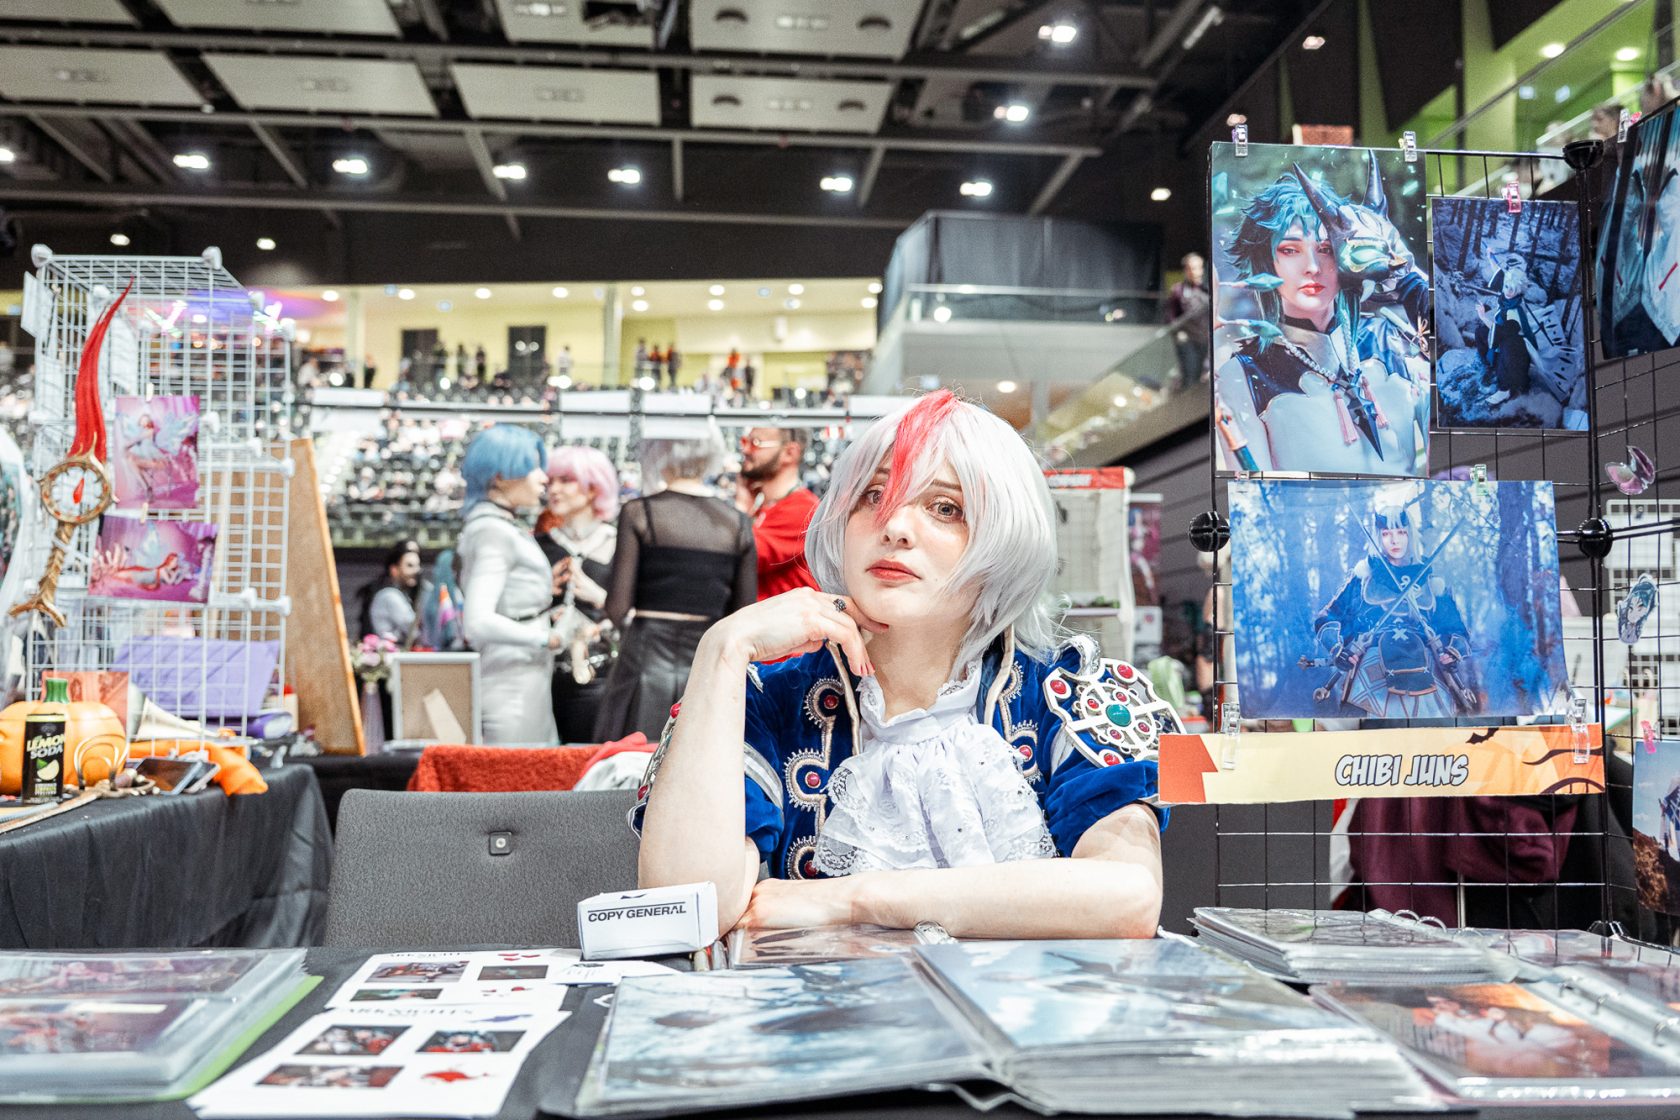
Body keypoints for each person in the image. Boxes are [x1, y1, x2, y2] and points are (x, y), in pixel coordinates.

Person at [634, 391, 1173, 937]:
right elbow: (681, 910)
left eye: (945, 508)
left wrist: (853, 899)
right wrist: (723, 649)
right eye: (872, 495)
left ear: (1005, 537)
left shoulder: (1070, 692)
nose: (893, 526)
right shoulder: (764, 702)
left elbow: (1127, 896)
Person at [1213, 169, 1427, 475]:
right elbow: (1256, 494)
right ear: (1266, 262)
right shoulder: (1243, 374)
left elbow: (1451, 445)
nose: (1312, 267)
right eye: (1290, 250)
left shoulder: (1393, 340)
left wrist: (1410, 282)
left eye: (1325, 249)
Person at [596, 431, 756, 742]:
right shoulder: (737, 523)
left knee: (634, 759)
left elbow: (617, 607)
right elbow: (745, 614)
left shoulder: (639, 512)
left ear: (659, 452)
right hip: (708, 660)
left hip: (644, 658)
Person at [1312, 497, 1472, 719]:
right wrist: (1338, 650)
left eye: (1401, 533)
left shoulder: (1429, 579)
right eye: (1386, 534)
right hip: (1372, 664)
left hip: (1425, 665)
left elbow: (1457, 630)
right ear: (1379, 536)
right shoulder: (1364, 578)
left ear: (1409, 535)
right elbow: (1326, 617)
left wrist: (1452, 654)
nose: (1394, 540)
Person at [458, 424, 564, 746]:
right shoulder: (493, 531)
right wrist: (545, 638)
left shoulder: (498, 527)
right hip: (511, 689)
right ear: (501, 476)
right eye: (532, 467)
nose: (543, 478)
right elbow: (477, 622)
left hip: (523, 683)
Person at [536, 446, 621, 743]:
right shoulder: (538, 545)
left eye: (565, 480)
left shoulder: (620, 543)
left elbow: (636, 613)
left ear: (593, 488)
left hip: (600, 675)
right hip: (541, 674)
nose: (553, 489)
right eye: (551, 481)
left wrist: (599, 596)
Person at [734, 427, 820, 598]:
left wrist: (741, 509)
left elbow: (740, 556)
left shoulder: (803, 509)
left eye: (756, 443)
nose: (745, 450)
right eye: (745, 442)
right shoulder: (761, 507)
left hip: (789, 615)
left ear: (790, 452)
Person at [357, 539, 425, 647]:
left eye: (418, 565)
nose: (417, 571)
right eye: (410, 565)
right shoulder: (390, 596)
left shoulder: (401, 594)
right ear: (394, 569)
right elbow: (415, 632)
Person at [1165, 252, 1212, 389]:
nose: (1194, 272)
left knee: (1204, 375)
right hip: (1187, 340)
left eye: (1197, 268)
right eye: (1191, 268)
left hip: (1206, 339)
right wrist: (1178, 333)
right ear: (1186, 270)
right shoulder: (1178, 290)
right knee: (1190, 375)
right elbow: (1171, 316)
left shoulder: (1208, 289)